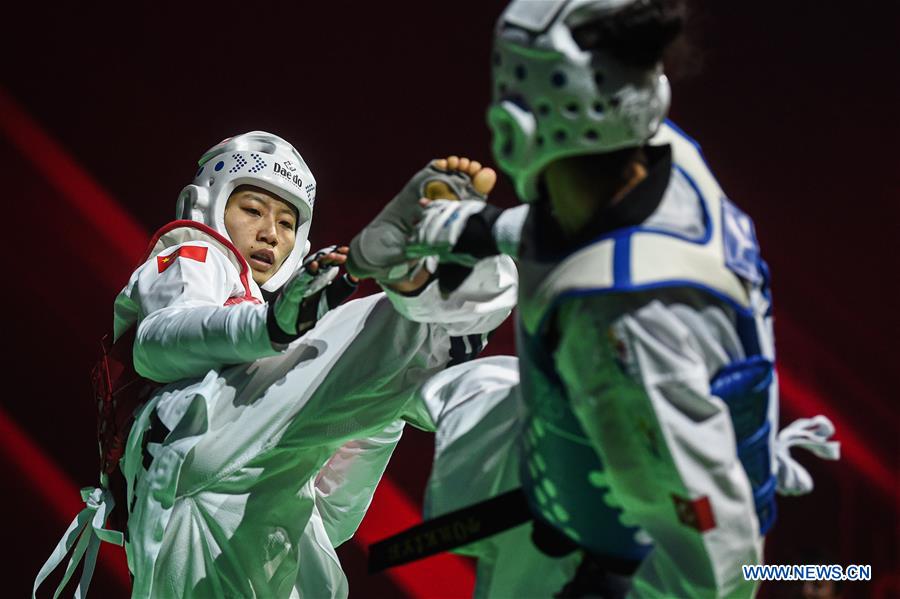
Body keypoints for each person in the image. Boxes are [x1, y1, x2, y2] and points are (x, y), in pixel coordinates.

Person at [351, 1, 840, 596]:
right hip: (577, 442)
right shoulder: (666, 156)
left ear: (515, 128)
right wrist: (478, 229)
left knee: (455, 389)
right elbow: (585, 232)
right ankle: (427, 304)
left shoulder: (619, 330)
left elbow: (723, 558)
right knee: (478, 384)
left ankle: (420, 319)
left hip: (607, 542)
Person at [34, 131, 517, 598]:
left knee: (386, 366)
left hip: (246, 520)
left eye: (287, 223)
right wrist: (271, 327)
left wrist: (379, 416)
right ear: (206, 205)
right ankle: (445, 311)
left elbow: (332, 517)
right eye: (252, 210)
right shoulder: (195, 252)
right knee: (370, 334)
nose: (270, 232)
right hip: (189, 451)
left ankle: (447, 360)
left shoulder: (278, 332)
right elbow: (155, 345)